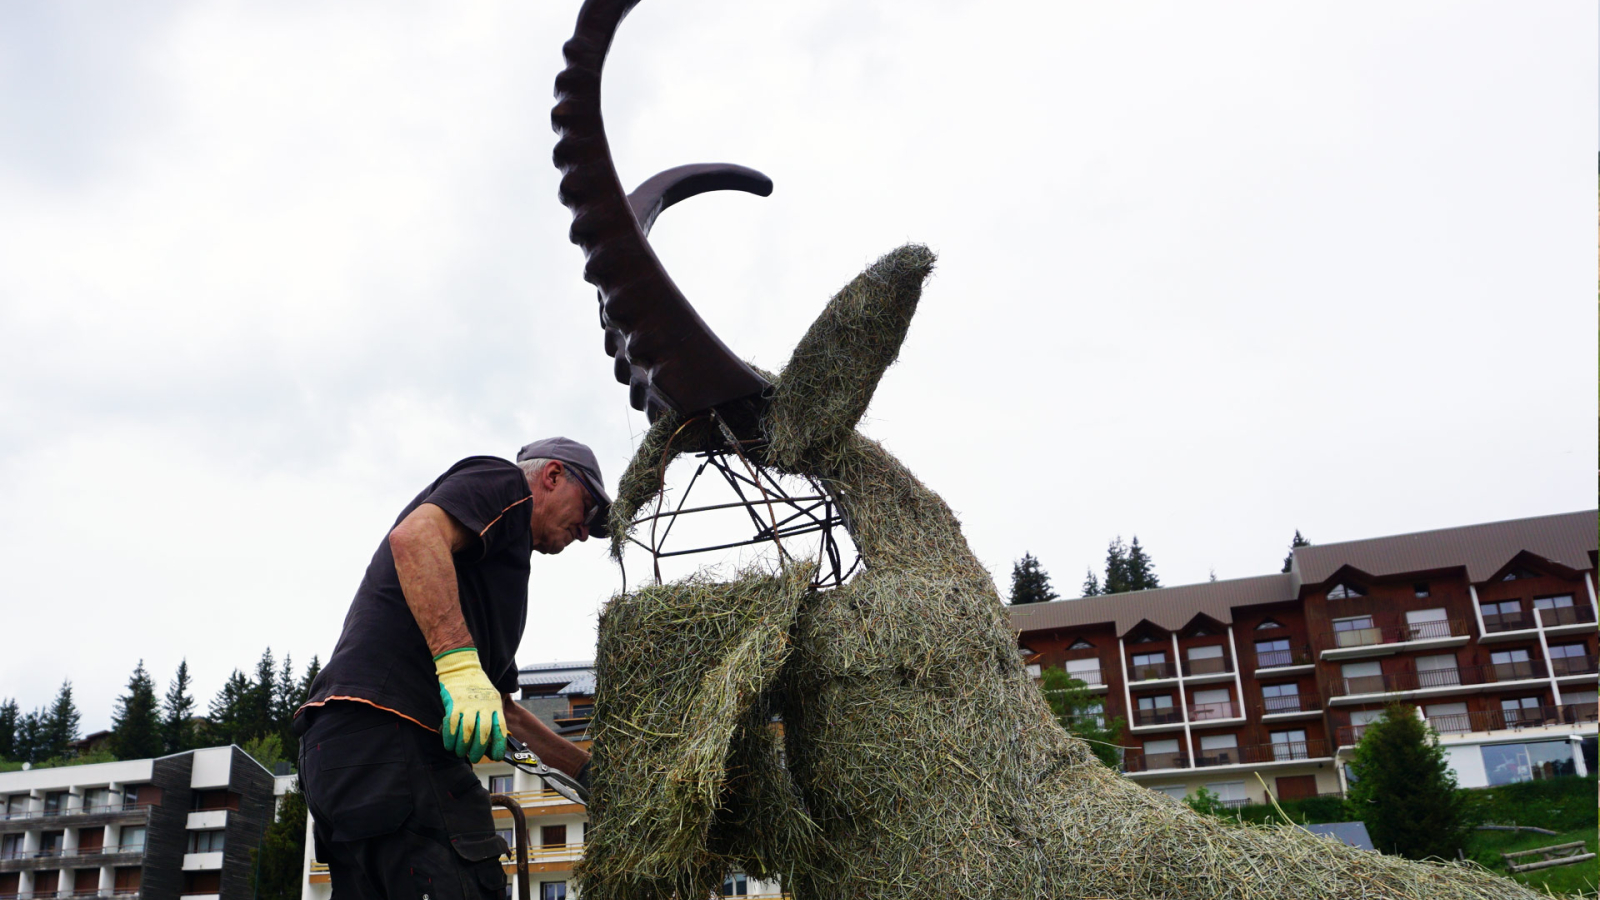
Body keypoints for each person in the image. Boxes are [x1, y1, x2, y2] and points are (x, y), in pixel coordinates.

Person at [294, 437, 611, 900]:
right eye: (587, 509)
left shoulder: (495, 582)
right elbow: (415, 536)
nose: (585, 531)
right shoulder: (503, 482)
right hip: (392, 736)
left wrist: (587, 774)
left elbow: (503, 709)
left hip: (338, 755)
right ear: (553, 475)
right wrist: (458, 663)